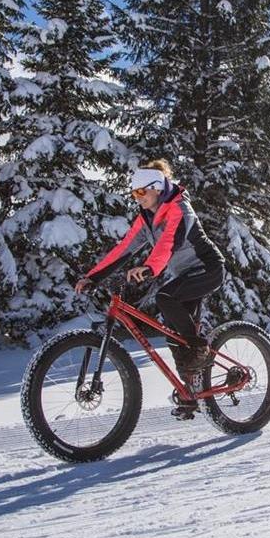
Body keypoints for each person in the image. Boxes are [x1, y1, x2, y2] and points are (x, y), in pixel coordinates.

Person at [75, 159, 226, 419]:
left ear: (156, 187)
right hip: (185, 275)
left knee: (165, 298)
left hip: (208, 269)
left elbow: (168, 243)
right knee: (173, 335)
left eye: (140, 192)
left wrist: (148, 268)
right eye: (134, 193)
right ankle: (192, 393)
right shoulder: (146, 218)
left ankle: (200, 349)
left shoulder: (180, 208)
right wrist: (94, 277)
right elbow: (124, 248)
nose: (137, 198)